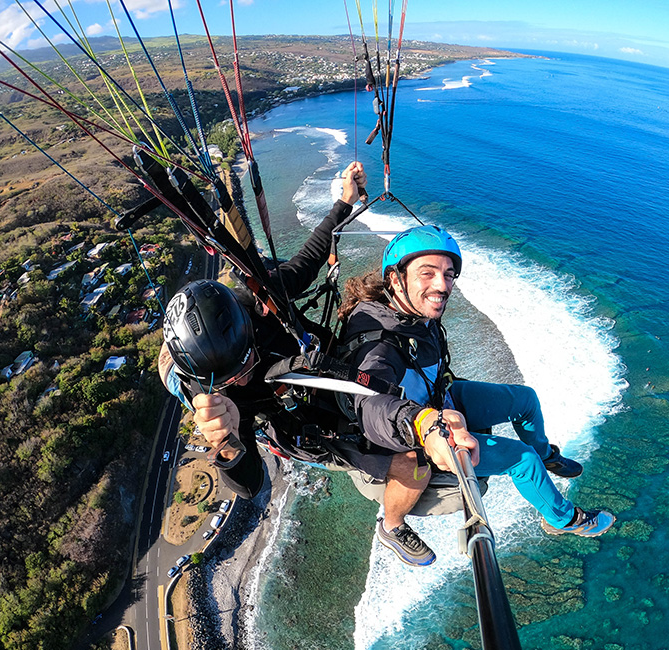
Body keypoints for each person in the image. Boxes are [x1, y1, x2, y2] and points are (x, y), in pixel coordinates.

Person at [157, 161, 431, 507]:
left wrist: (345, 202)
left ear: (248, 331)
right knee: (394, 456)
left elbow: (311, 256)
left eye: (244, 369)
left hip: (312, 367)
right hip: (287, 412)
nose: (241, 383)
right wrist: (225, 445)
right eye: (232, 379)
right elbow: (250, 485)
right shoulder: (220, 393)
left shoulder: (264, 300)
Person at [339, 225, 615, 566]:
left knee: (525, 400)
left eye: (449, 274)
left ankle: (546, 456)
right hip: (421, 426)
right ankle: (561, 519)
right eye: (428, 273)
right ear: (395, 280)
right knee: (522, 460)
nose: (443, 285)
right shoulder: (378, 346)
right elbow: (371, 406)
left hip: (439, 395)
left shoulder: (410, 312)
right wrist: (424, 423)